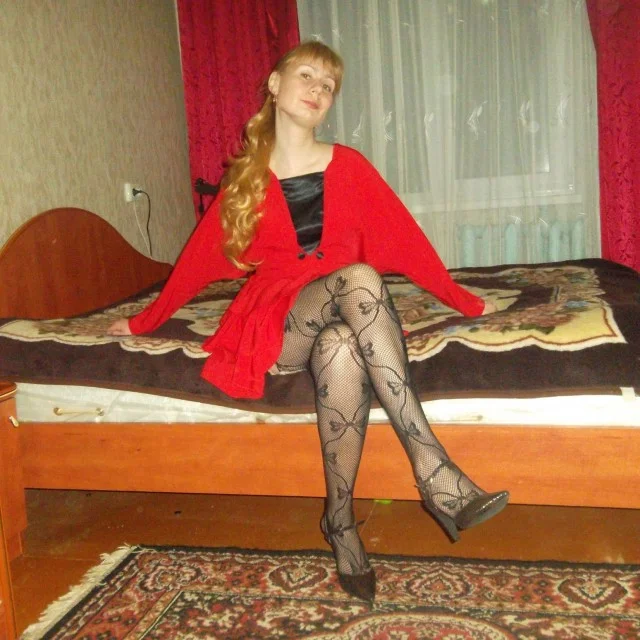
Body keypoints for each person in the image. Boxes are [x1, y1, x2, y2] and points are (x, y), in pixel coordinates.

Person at [108, 41, 508, 603]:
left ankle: (340, 522)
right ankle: (433, 468)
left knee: (343, 344)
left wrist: (465, 301)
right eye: (307, 76)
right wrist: (142, 321)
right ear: (274, 85)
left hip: (337, 315)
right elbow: (196, 262)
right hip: (279, 318)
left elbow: (407, 241)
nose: (318, 89)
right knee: (361, 278)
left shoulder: (351, 166)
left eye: (329, 85)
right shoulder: (246, 178)